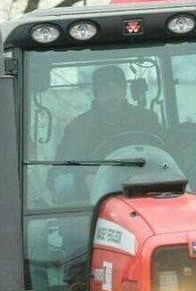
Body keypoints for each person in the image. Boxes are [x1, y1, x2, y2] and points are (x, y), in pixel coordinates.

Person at [52, 66, 163, 201]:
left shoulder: (147, 120)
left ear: (124, 90)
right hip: (95, 200)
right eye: (105, 89)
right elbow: (60, 171)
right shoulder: (77, 128)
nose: (112, 95)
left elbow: (166, 156)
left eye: (117, 88)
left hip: (145, 191)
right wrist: (83, 172)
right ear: (96, 93)